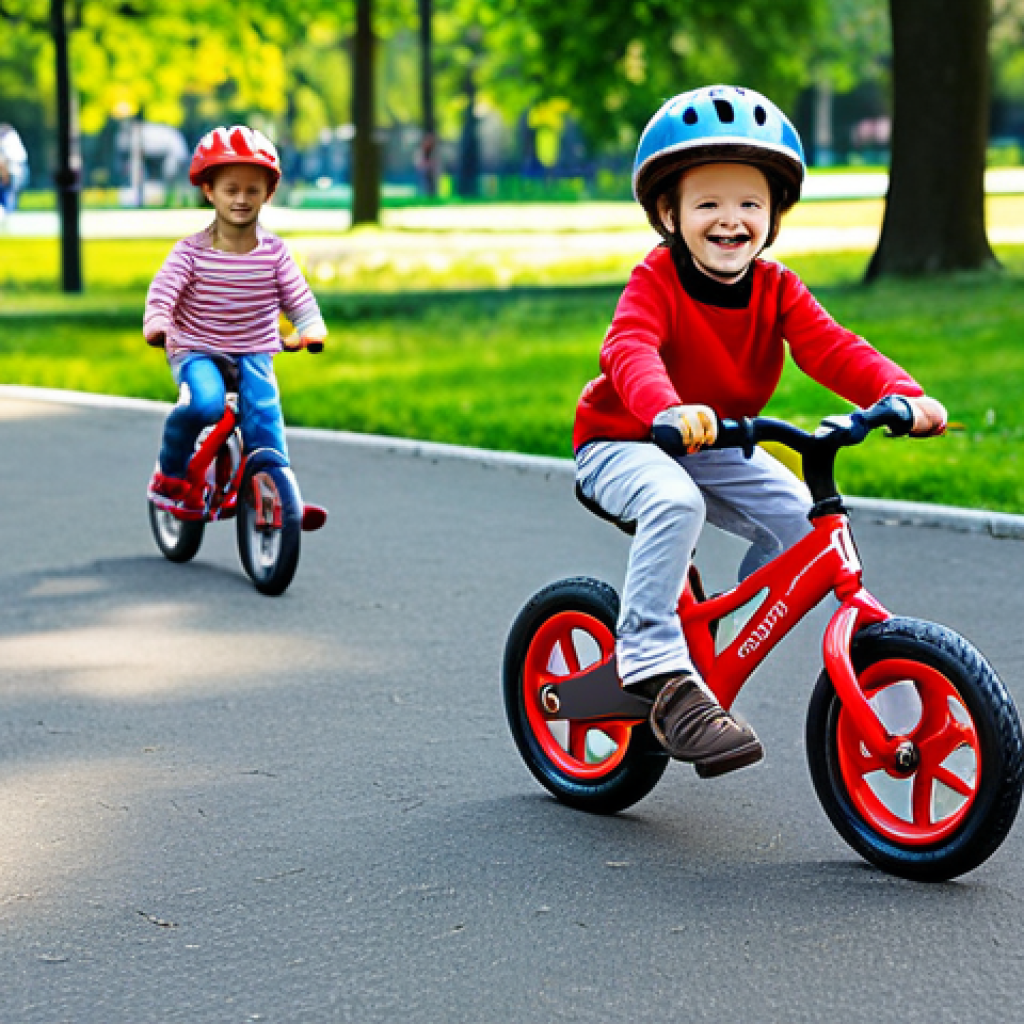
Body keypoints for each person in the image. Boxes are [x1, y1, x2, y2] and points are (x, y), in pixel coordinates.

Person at [573, 85, 947, 779]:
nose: (730, 220)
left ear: (773, 215)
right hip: (625, 438)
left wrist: (901, 393)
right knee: (674, 503)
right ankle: (654, 662)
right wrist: (664, 407)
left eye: (750, 203)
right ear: (668, 212)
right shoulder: (657, 279)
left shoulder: (777, 288)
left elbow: (834, 347)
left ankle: (709, 627)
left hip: (715, 441)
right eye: (708, 203)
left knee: (805, 526)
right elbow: (629, 348)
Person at [144, 125, 327, 511]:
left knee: (264, 414)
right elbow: (163, 292)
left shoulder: (275, 253)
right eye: (231, 190)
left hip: (254, 349)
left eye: (252, 190)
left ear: (268, 193)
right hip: (197, 348)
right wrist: (158, 322)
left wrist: (311, 328)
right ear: (209, 191)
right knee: (205, 404)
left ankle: (277, 492)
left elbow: (299, 298)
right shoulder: (190, 253)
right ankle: (171, 473)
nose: (241, 199)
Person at [0, 123, 29, 218]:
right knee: (9, 194)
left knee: (9, 194)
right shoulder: (10, 139)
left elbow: (5, 161)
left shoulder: (7, 140)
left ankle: (7, 214)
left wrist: (5, 176)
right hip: (15, 168)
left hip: (13, 168)